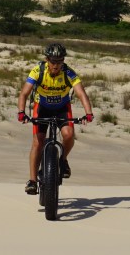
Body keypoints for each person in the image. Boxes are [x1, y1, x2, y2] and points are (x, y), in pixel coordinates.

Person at [17, 43, 94, 195]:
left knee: (69, 135)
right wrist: (21, 112)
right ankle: (32, 181)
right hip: (42, 107)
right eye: (53, 61)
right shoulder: (38, 71)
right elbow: (24, 93)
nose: (56, 65)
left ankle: (63, 160)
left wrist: (88, 113)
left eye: (60, 61)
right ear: (47, 59)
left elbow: (81, 93)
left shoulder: (69, 73)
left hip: (62, 108)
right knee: (38, 141)